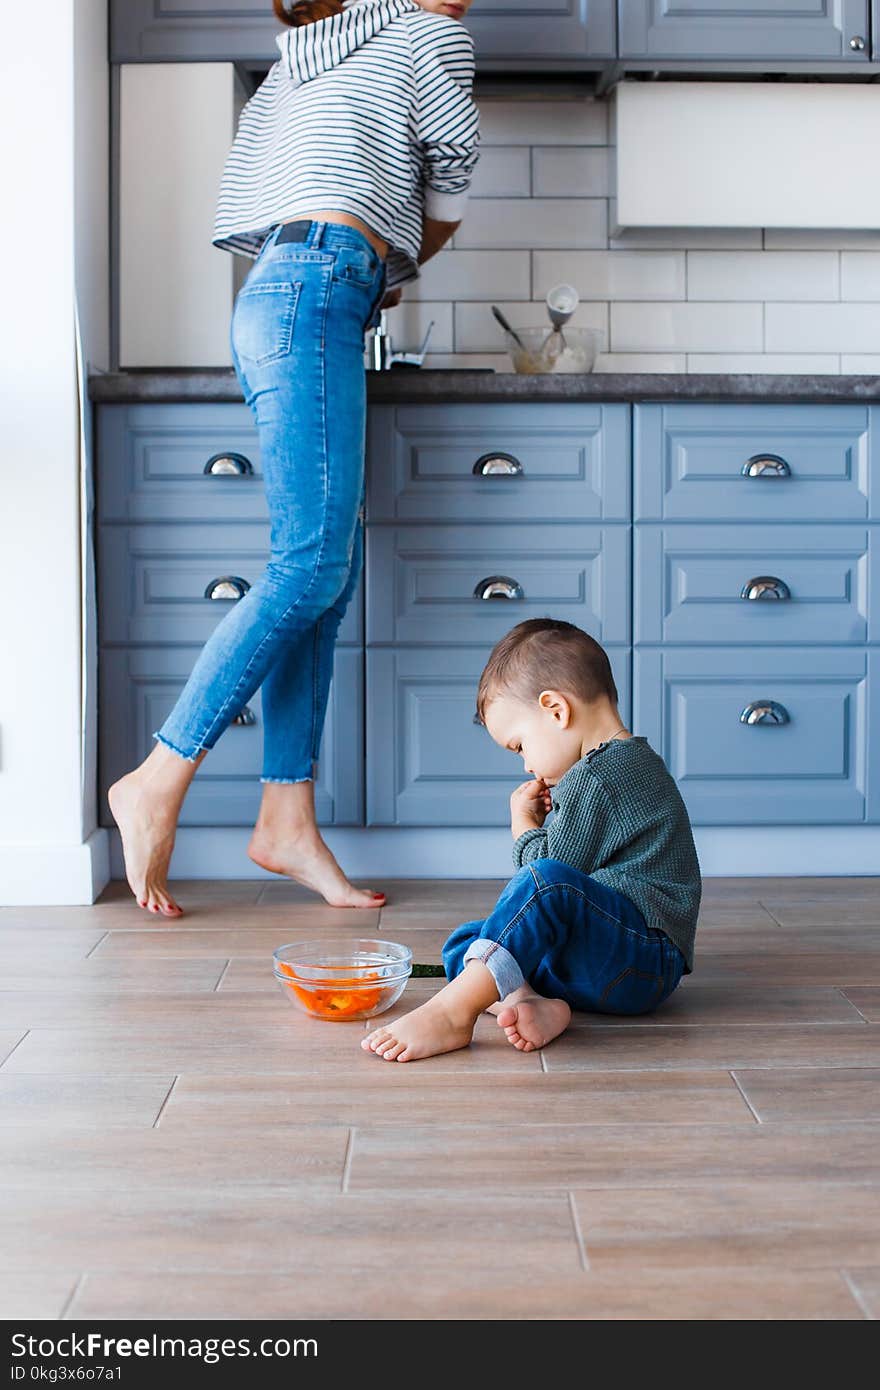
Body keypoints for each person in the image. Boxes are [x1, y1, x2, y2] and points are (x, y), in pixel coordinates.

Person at [108, 0, 480, 916]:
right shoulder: (431, 31)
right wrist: (399, 261)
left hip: (281, 287)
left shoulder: (304, 53)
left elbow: (298, 185)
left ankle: (286, 819)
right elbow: (453, 186)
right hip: (320, 285)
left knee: (328, 568)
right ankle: (159, 773)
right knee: (311, 561)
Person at [362, 618, 702, 1062]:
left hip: (640, 961)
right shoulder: (625, 764)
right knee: (468, 941)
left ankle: (452, 1013)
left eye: (520, 745)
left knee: (544, 882)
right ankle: (528, 1003)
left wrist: (524, 826)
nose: (525, 765)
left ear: (556, 710)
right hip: (621, 965)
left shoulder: (600, 774)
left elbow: (546, 877)